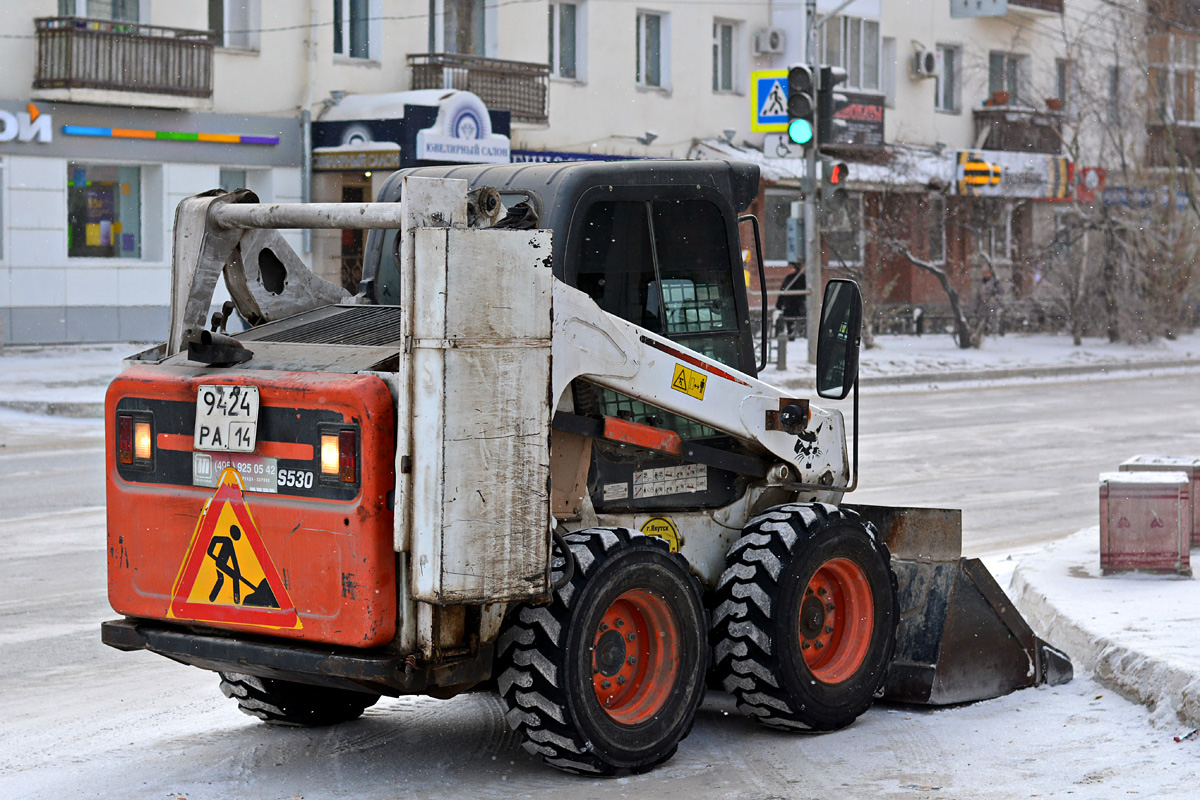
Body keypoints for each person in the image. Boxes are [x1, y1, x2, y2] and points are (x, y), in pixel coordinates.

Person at [775, 263, 806, 339]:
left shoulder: (801, 278)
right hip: (788, 304)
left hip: (797, 304)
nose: (789, 269)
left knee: (797, 320)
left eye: (791, 267)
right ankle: (791, 334)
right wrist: (780, 303)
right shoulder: (788, 278)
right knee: (789, 320)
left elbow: (803, 291)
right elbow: (782, 290)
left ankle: (798, 334)